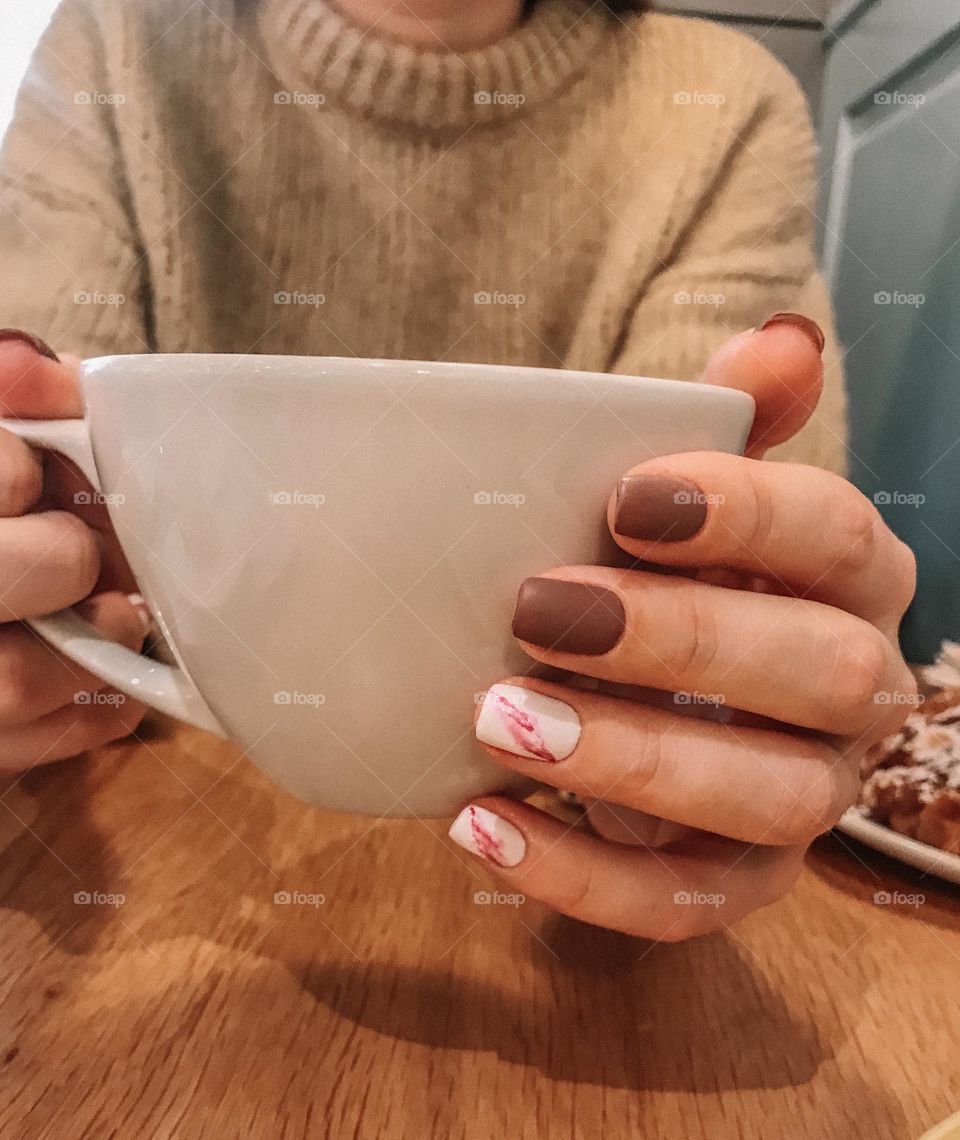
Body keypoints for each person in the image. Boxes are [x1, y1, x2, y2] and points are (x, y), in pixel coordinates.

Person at [0, 0, 916, 940]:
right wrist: (36, 565)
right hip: (140, 875)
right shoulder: (115, 44)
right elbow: (45, 473)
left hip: (559, 890)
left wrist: (733, 691)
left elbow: (745, 601)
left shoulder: (722, 106)